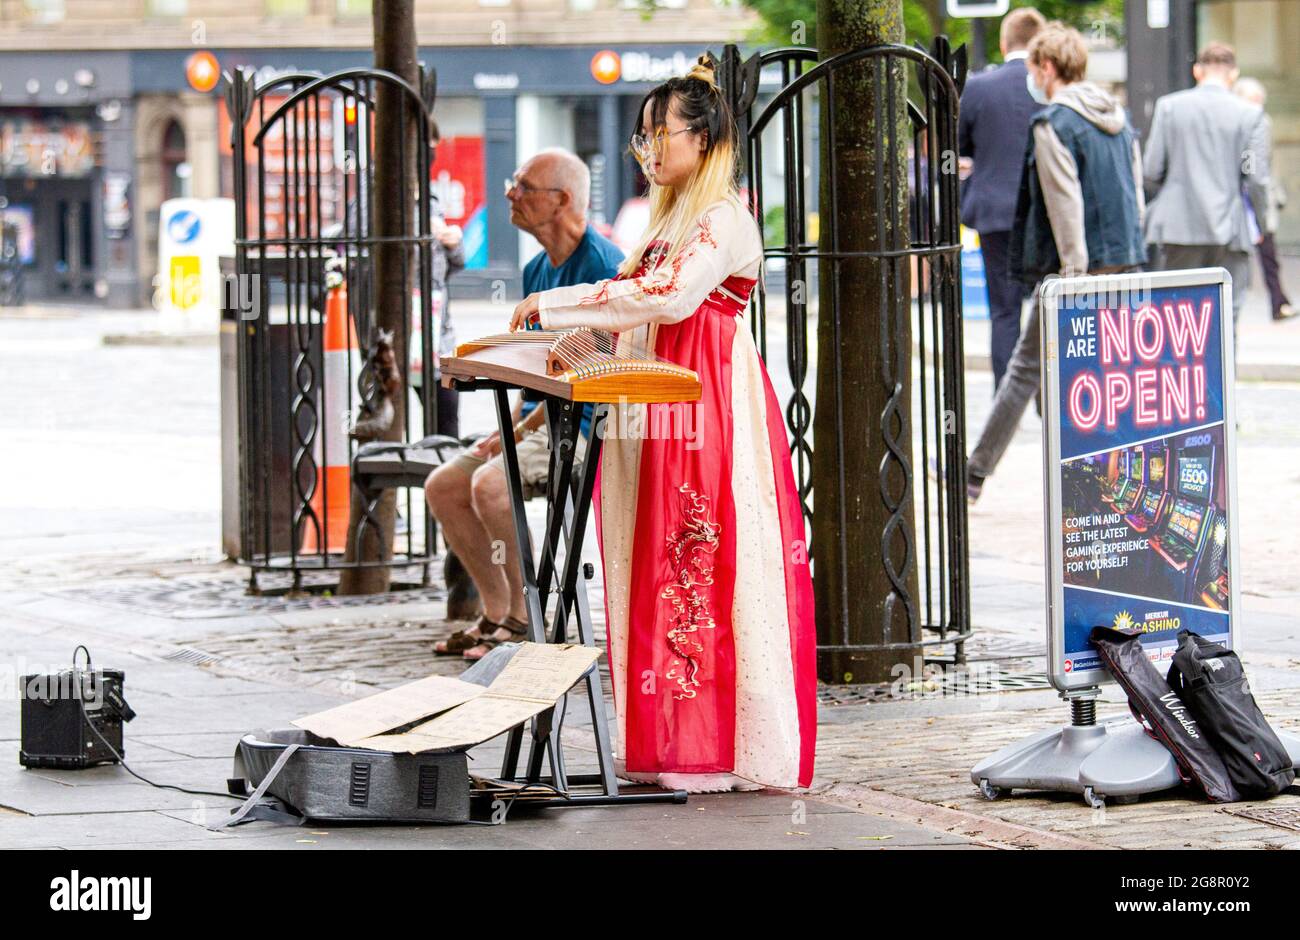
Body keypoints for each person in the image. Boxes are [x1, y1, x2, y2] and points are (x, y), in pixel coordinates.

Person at [508, 56, 816, 794]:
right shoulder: (670, 218)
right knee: (656, 556)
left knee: (700, 557)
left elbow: (668, 298)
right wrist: (557, 330)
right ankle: (668, 744)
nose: (649, 152)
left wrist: (555, 309)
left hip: (705, 399)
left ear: (703, 140)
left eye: (660, 135)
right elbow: (624, 293)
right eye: (642, 138)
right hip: (655, 392)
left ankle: (717, 749)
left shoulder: (723, 219)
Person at [425, 148, 623, 661]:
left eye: (523, 185)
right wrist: (509, 429)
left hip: (588, 427)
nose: (510, 194)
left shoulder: (603, 268)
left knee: (490, 484)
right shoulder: (538, 269)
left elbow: (586, 379)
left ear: (560, 200)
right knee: (444, 484)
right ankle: (497, 611)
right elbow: (538, 371)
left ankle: (526, 619)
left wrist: (517, 433)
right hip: (541, 420)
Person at [963, 23, 1145, 502]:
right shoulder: (1119, 117)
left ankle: (976, 472)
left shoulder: (1053, 125)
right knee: (1113, 371)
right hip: (1125, 263)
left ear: (1047, 68)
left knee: (1027, 366)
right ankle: (1119, 473)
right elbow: (1135, 194)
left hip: (1076, 272)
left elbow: (1065, 206)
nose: (1033, 81)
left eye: (1033, 71)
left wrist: (1072, 276)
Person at [1144, 42, 1271, 341]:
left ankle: (1182, 385)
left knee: (1174, 319)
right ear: (1234, 74)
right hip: (1229, 229)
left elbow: (1151, 169)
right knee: (1225, 320)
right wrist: (1261, 223)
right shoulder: (1250, 116)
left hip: (1177, 229)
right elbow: (1255, 176)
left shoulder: (1169, 107)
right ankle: (1223, 387)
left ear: (1197, 71)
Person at [959, 6, 1046, 391]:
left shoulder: (978, 87)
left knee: (1004, 310)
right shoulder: (1047, 88)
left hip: (995, 212)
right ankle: (1049, 394)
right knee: (1050, 307)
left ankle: (1005, 394)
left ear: (1003, 41)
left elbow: (959, 147)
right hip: (1044, 217)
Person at [1234, 77, 1296, 322]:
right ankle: (1278, 302)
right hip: (1248, 201)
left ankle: (1279, 300)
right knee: (1264, 254)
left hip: (1244, 199)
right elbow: (1256, 171)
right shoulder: (1255, 121)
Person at [428, 120, 468, 438]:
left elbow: (456, 263)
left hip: (436, 330)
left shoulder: (430, 199)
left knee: (445, 422)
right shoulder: (374, 196)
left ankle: (439, 486)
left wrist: (453, 241)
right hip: (396, 331)